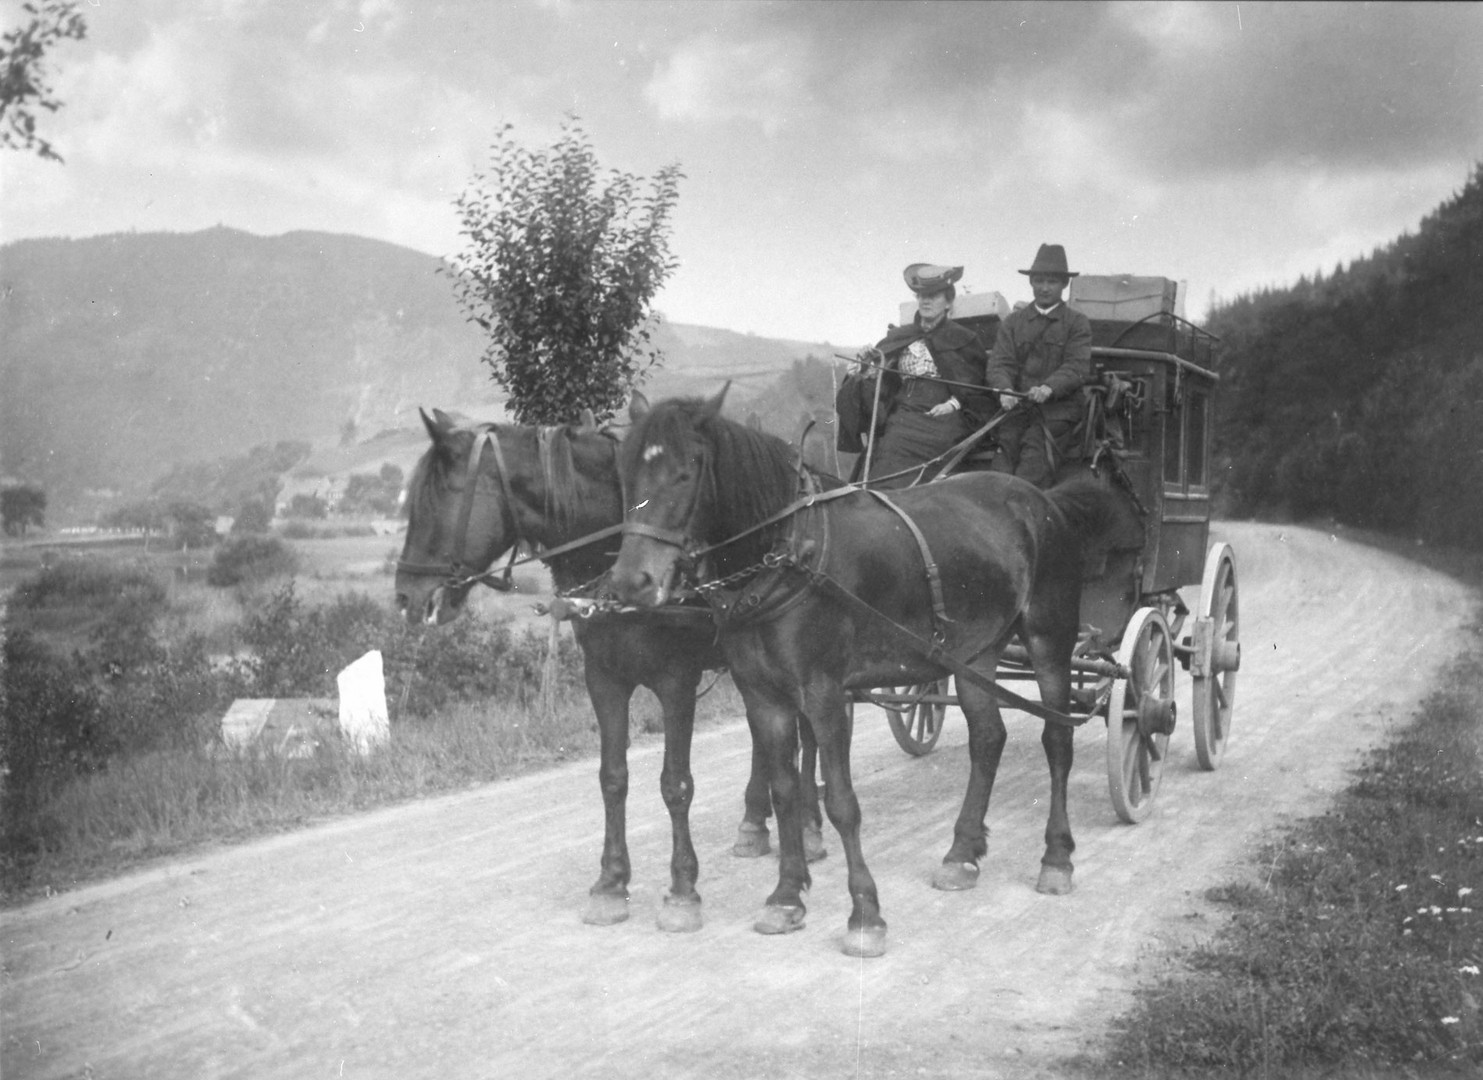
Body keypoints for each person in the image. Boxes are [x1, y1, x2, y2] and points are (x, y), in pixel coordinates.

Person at [838, 263, 990, 488]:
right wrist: (867, 368)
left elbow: (975, 387)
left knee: (914, 451)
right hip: (904, 413)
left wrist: (954, 404)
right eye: (921, 296)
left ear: (948, 301)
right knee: (887, 448)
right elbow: (885, 384)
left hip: (943, 416)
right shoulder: (901, 336)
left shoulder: (964, 339)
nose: (925, 301)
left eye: (933, 295)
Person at [984, 244, 1092, 487]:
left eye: (1052, 281)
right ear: (1031, 282)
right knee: (998, 471)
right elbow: (999, 363)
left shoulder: (1077, 323)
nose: (1044, 288)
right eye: (1039, 280)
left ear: (1064, 284)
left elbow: (1076, 367)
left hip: (1058, 412)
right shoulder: (1013, 323)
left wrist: (1049, 388)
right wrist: (1005, 390)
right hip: (1017, 409)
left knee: (1031, 470)